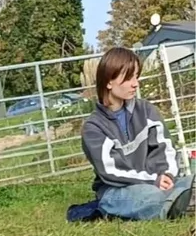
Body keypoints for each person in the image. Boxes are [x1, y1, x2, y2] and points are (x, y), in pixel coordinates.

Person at [81, 47, 194, 221]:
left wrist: (167, 175)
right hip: (117, 190)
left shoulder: (146, 111)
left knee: (189, 181)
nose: (135, 83)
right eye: (128, 78)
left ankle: (180, 200)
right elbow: (110, 171)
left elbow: (166, 149)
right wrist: (153, 181)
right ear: (108, 82)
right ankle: (178, 204)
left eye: (136, 76)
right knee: (149, 196)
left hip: (156, 181)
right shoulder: (93, 127)